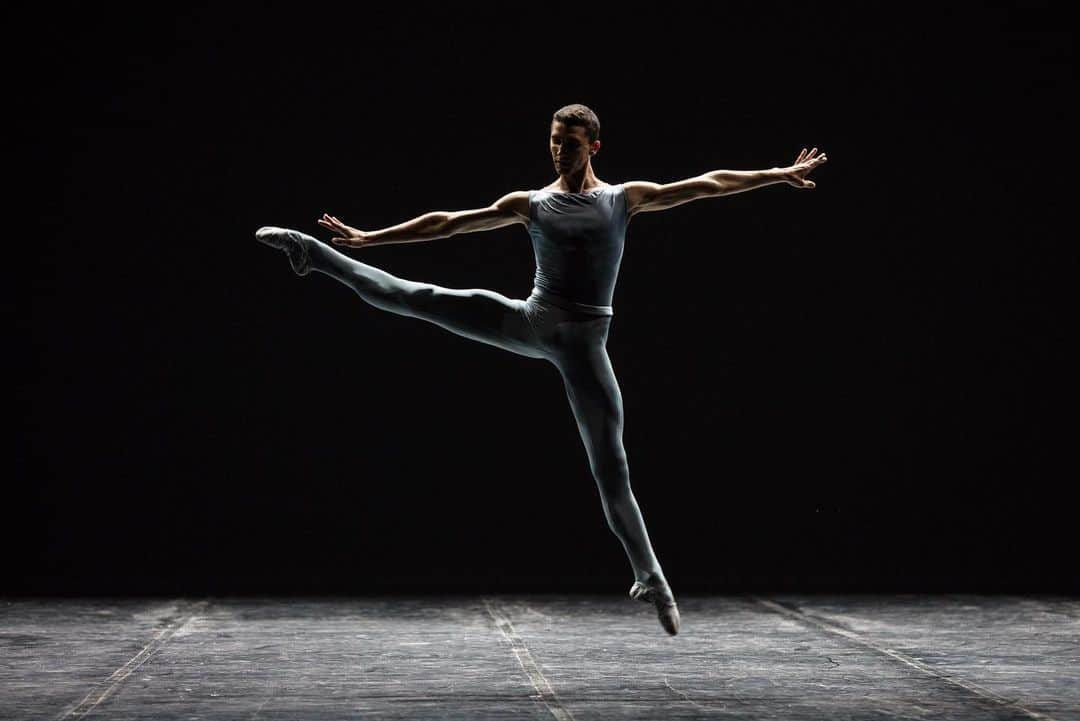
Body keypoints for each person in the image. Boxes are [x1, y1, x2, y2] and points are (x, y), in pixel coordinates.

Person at [256, 103, 827, 635]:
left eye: (571, 145)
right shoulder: (529, 203)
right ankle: (315, 252)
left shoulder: (624, 199)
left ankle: (652, 577)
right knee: (420, 295)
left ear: (595, 146)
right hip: (531, 321)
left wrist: (778, 174)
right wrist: (372, 236)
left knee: (612, 468)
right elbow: (451, 222)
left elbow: (707, 184)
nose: (559, 153)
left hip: (584, 345)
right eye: (554, 143)